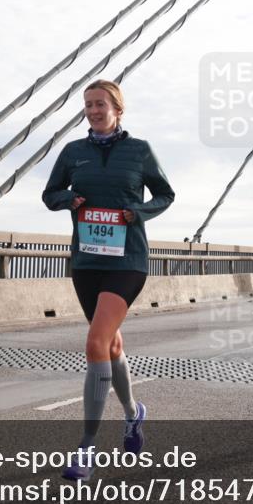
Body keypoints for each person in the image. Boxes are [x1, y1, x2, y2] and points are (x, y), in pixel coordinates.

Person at [43, 79, 174, 480]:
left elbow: (165, 194)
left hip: (128, 260)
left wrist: (141, 212)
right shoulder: (73, 152)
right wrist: (70, 200)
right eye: (88, 105)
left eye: (100, 104)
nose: (94, 111)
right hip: (86, 260)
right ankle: (134, 414)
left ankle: (86, 447)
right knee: (111, 344)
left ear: (117, 108)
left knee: (95, 342)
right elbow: (50, 194)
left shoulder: (139, 151)